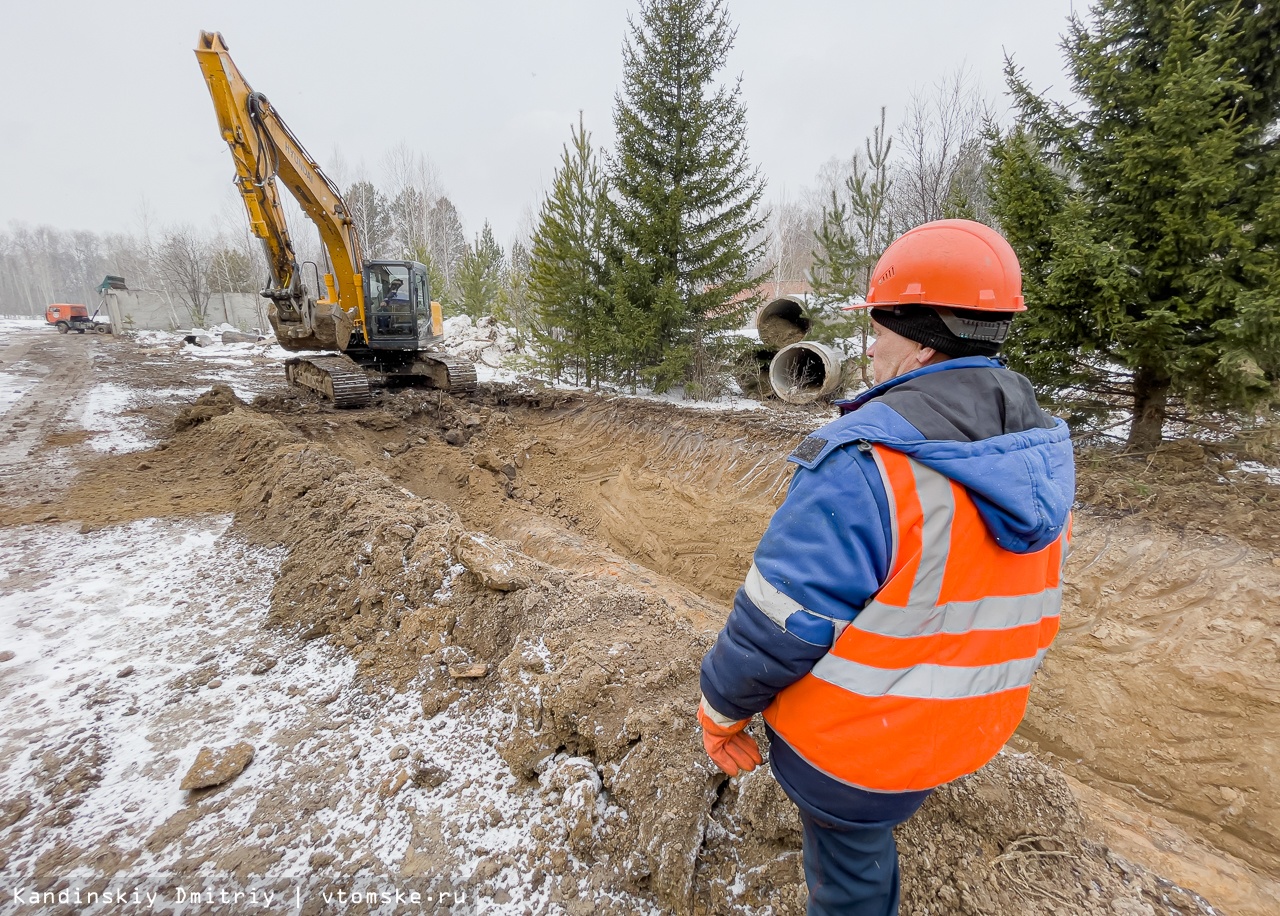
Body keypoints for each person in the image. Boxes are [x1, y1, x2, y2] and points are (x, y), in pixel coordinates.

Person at [698, 219, 1075, 915]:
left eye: (879, 328)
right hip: (968, 730)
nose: (871, 346)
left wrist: (720, 710)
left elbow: (780, 623)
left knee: (849, 877)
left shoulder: (866, 466)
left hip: (857, 754)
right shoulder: (1038, 453)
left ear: (921, 335)